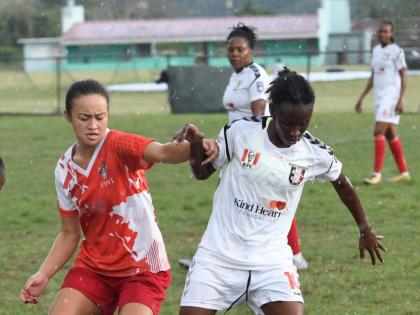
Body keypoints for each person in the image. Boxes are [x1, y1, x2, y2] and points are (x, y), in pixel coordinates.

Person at [176, 69, 386, 315]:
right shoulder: (240, 132)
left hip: (271, 263)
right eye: (289, 124)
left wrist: (365, 229)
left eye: (303, 124)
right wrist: (197, 144)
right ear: (273, 110)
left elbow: (342, 183)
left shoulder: (313, 152)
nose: (296, 132)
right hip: (218, 258)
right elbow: (201, 173)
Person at [19, 79, 217, 315]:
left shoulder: (119, 145)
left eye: (100, 117)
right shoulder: (64, 169)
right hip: (94, 269)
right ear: (68, 116)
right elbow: (69, 233)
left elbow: (165, 152)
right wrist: (43, 273)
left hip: (143, 269)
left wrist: (196, 144)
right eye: (84, 118)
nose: (94, 125)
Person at [356, 20, 410, 185]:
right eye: (380, 31)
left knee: (378, 131)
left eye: (386, 31)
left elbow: (404, 76)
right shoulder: (376, 51)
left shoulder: (397, 51)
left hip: (392, 97)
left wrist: (400, 99)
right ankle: (404, 172)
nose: (383, 34)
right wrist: (361, 98)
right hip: (379, 98)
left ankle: (376, 174)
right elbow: (373, 77)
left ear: (391, 33)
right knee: (390, 134)